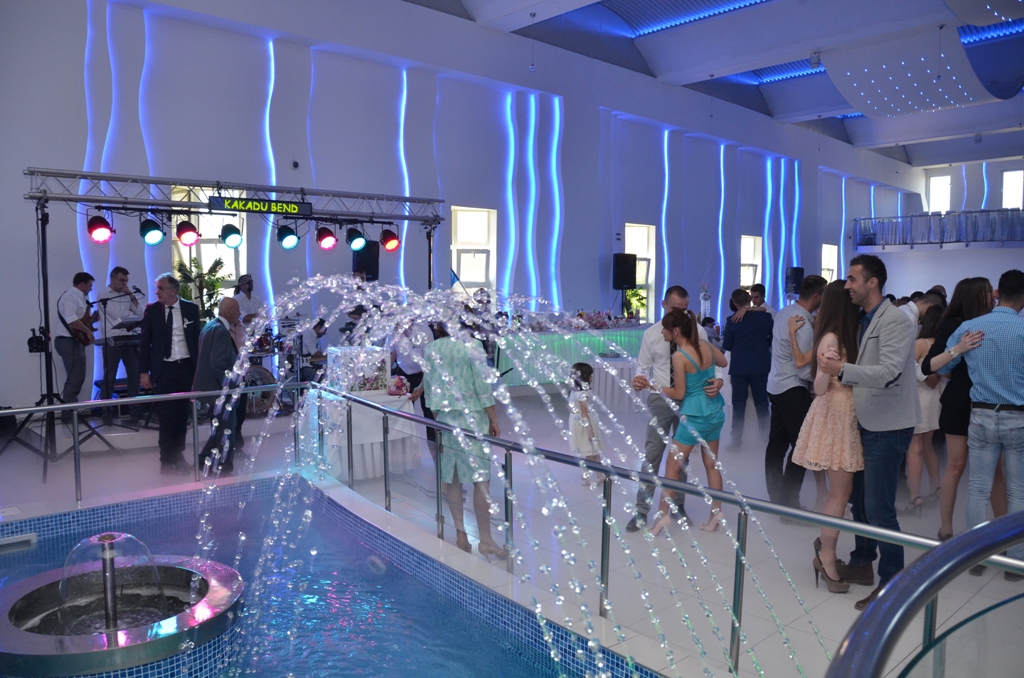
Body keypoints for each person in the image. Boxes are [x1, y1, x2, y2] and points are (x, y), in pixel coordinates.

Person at [818, 254, 920, 610]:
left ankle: (892, 583)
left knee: (879, 508)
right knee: (860, 502)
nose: (847, 285)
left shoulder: (895, 320)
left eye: (852, 279)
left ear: (872, 282)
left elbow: (889, 371)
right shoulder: (863, 318)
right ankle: (862, 562)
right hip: (864, 421)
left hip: (888, 425)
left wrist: (841, 369)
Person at [940, 269, 1024, 580]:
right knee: (1018, 491)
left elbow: (944, 367)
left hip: (981, 414)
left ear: (998, 293)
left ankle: (975, 556)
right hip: (1017, 416)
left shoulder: (971, 327)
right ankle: (1015, 563)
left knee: (977, 488)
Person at [627, 286, 724, 532]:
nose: (680, 315)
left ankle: (677, 505)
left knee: (681, 458)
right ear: (664, 305)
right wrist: (640, 380)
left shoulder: (697, 330)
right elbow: (642, 366)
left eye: (684, 309)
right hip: (661, 399)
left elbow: (715, 363)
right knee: (654, 452)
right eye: (674, 309)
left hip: (690, 401)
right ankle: (641, 509)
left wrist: (719, 381)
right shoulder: (652, 334)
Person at [791, 280, 863, 593]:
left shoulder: (846, 333)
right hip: (836, 413)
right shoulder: (831, 337)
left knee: (842, 492)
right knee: (839, 494)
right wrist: (827, 369)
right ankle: (827, 557)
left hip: (847, 412)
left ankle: (827, 549)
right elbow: (819, 387)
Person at [422, 324, 507, 560]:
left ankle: (461, 534)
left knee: (454, 477)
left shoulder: (431, 348)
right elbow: (482, 386)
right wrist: (494, 418)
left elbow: (429, 385)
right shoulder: (473, 346)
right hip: (473, 419)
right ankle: (486, 540)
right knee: (481, 480)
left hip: (446, 419)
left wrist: (438, 416)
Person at [920, 278, 993, 540]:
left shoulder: (992, 323)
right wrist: (958, 349)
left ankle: (999, 535)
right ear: (975, 296)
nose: (993, 296)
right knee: (956, 466)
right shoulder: (952, 325)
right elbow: (929, 365)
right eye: (988, 292)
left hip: (988, 401)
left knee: (993, 471)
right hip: (961, 401)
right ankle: (946, 528)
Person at [765, 275, 827, 509]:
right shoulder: (802, 323)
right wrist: (826, 378)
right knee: (802, 447)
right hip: (792, 388)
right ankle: (790, 504)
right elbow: (803, 369)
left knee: (777, 446)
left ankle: (776, 499)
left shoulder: (784, 312)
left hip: (776, 384)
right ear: (817, 297)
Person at [140, 273, 201, 474]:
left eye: (160, 288)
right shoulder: (152, 310)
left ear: (173, 291)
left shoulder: (191, 309)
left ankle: (178, 455)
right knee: (167, 415)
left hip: (186, 367)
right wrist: (144, 372)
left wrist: (200, 369)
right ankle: (166, 460)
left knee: (182, 414)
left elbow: (197, 340)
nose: (157, 292)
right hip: (164, 369)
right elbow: (144, 343)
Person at [900, 305, 946, 516]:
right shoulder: (943, 346)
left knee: (914, 449)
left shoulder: (921, 343)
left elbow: (906, 368)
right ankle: (936, 489)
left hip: (918, 398)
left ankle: (915, 497)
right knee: (928, 447)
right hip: (934, 399)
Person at [193, 298, 243, 474]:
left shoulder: (209, 326)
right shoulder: (221, 331)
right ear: (228, 312)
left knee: (220, 427)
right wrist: (232, 384)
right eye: (237, 310)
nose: (239, 314)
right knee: (227, 428)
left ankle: (203, 459)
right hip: (220, 390)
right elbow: (218, 364)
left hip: (209, 388)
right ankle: (223, 465)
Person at [722, 288, 773, 447]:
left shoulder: (732, 320)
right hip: (760, 365)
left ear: (734, 303)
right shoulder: (766, 318)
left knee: (739, 405)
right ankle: (766, 439)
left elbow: (727, 345)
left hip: (739, 368)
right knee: (762, 404)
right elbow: (771, 340)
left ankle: (736, 441)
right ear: (749, 300)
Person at [97, 267, 142, 426]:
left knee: (135, 376)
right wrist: (131, 316)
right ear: (112, 279)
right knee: (110, 378)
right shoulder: (103, 295)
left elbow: (140, 314)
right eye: (122, 280)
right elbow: (118, 317)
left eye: (126, 281)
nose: (124, 283)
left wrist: (131, 296)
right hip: (112, 340)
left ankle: (134, 414)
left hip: (130, 338)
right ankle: (106, 413)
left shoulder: (126, 295)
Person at [53, 272, 96, 422]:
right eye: (89, 285)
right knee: (74, 378)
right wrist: (88, 331)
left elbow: (79, 321)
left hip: (74, 341)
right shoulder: (71, 296)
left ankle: (72, 412)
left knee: (78, 377)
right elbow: (71, 320)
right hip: (67, 341)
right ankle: (69, 415)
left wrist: (89, 324)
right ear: (82, 284)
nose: (91, 289)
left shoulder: (81, 298)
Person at [568, 362, 605, 487]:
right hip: (584, 423)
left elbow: (570, 408)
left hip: (576, 421)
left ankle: (599, 475)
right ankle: (586, 478)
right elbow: (584, 413)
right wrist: (590, 431)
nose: (592, 378)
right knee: (591, 451)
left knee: (594, 451)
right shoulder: (583, 393)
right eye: (590, 376)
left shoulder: (574, 391)